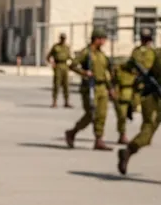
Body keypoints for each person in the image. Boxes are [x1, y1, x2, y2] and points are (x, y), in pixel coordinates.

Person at [65, 27, 114, 151]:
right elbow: (73, 65)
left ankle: (99, 140)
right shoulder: (86, 52)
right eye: (103, 39)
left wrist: (110, 88)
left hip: (102, 87)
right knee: (91, 114)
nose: (104, 42)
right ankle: (72, 132)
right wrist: (84, 73)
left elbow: (105, 73)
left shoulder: (102, 55)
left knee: (102, 114)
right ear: (97, 39)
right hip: (90, 87)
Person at [117, 27, 159, 174]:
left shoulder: (151, 52)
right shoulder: (155, 54)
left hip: (148, 94)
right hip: (152, 96)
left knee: (147, 132)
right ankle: (128, 151)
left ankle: (127, 151)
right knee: (146, 133)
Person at [111, 58, 139, 145]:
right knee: (122, 116)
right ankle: (122, 134)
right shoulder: (119, 70)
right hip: (121, 94)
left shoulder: (136, 71)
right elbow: (114, 82)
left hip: (131, 95)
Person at [46, 33, 72, 108]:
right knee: (56, 84)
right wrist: (52, 63)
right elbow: (48, 56)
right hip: (58, 66)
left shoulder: (67, 47)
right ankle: (54, 102)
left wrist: (72, 64)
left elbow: (70, 57)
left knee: (66, 85)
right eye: (62, 38)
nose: (63, 40)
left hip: (65, 66)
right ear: (60, 38)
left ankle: (66, 102)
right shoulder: (55, 47)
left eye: (64, 38)